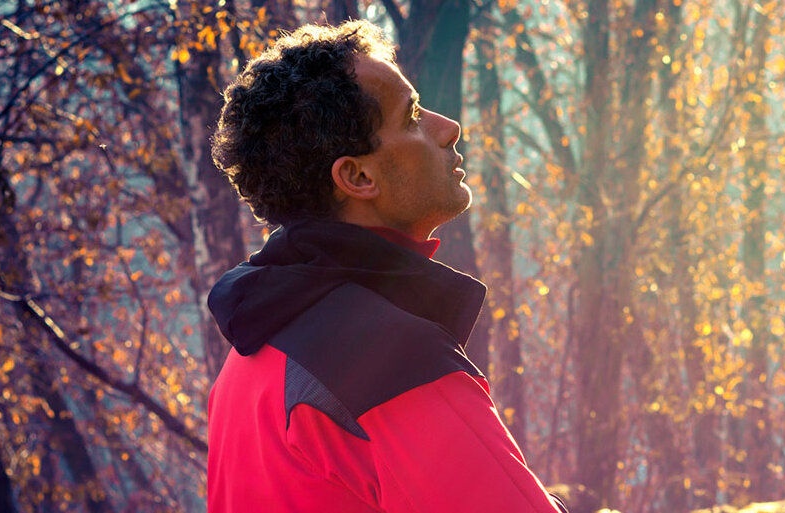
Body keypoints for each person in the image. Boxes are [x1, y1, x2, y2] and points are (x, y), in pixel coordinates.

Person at [205, 20, 566, 513]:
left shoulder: (250, 358)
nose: (448, 127)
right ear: (357, 176)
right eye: (412, 116)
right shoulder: (390, 360)